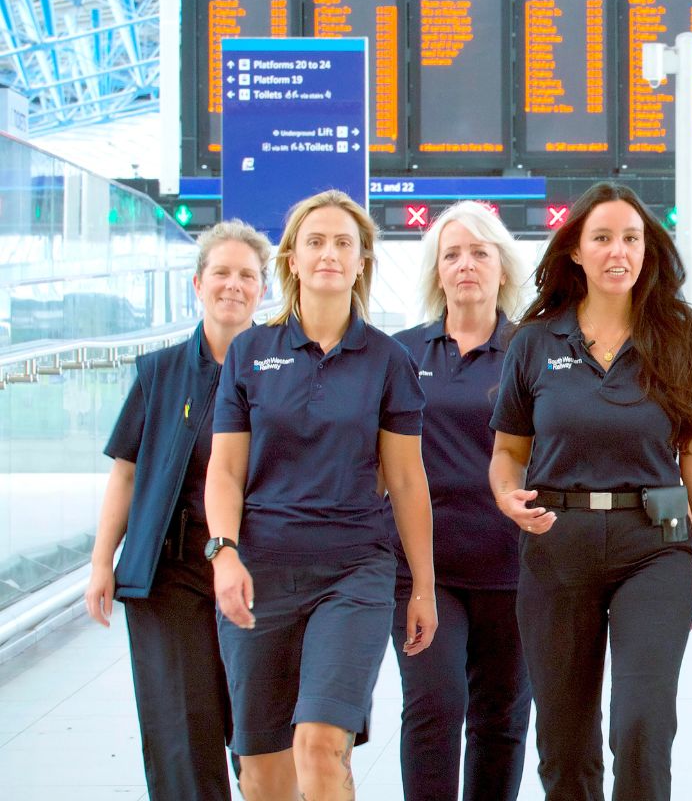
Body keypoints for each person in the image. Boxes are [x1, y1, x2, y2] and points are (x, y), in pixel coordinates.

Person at [488, 181, 692, 801]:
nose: (617, 250)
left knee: (642, 725)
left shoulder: (679, 341)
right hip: (555, 549)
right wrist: (506, 495)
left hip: (652, 549)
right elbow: (508, 453)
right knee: (566, 744)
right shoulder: (535, 342)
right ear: (575, 251)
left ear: (647, 252)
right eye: (602, 238)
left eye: (631, 238)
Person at [205, 189, 437, 801]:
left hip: (354, 569)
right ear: (292, 258)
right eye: (316, 241)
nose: (330, 253)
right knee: (262, 768)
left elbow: (408, 482)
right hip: (261, 568)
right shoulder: (251, 354)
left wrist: (423, 587)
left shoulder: (389, 360)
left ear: (362, 261)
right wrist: (223, 553)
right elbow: (225, 471)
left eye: (344, 243)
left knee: (318, 742)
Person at [84, 220, 272, 799]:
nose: (233, 285)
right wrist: (100, 562)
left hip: (257, 568)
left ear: (263, 289)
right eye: (222, 273)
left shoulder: (282, 370)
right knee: (181, 736)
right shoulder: (159, 372)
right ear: (198, 284)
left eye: (247, 275)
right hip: (170, 573)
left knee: (262, 731)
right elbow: (127, 472)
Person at [388, 201, 532, 801]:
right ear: (437, 272)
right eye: (452, 254)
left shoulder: (533, 348)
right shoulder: (400, 354)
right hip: (425, 571)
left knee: (501, 718)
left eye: (480, 252)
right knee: (435, 705)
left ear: (502, 267)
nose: (466, 265)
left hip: (514, 566)